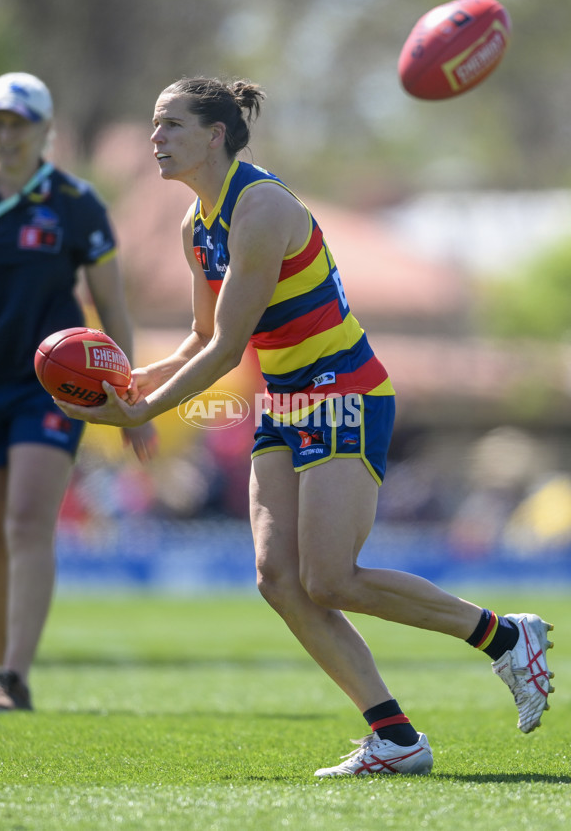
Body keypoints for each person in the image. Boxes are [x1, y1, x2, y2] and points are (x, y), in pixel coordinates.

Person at [56, 76, 554, 776]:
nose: (154, 138)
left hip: (345, 391)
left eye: (170, 124)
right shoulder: (195, 226)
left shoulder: (259, 208)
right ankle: (396, 738)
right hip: (286, 400)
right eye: (154, 124)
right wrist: (130, 382)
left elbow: (231, 347)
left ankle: (505, 637)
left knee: (331, 578)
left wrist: (141, 411)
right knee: (277, 577)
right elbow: (201, 339)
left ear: (215, 135)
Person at [0, 72, 157, 712]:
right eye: (0, 119)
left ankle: (12, 676)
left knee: (27, 518)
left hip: (47, 392)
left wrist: (130, 399)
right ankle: (5, 668)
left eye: (21, 121)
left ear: (46, 129)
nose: (8, 132)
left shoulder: (76, 204)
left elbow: (112, 306)